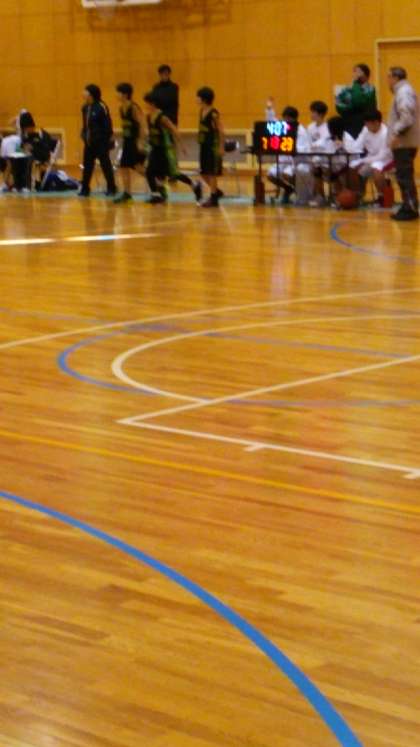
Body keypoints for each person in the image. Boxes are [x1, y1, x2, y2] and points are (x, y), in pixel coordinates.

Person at [387, 66, 420, 221]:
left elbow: (406, 118)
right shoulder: (404, 91)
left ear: (395, 77)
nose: (387, 81)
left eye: (388, 77)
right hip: (404, 142)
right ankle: (409, 205)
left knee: (404, 176)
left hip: (403, 142)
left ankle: (410, 208)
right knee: (403, 175)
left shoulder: (404, 92)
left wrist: (396, 133)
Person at [267, 106, 310, 205]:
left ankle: (302, 191)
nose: (285, 121)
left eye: (287, 118)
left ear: (292, 118)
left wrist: (291, 150)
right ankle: (288, 189)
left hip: (297, 161)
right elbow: (272, 122)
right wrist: (269, 110)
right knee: (271, 174)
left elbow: (303, 149)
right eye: (284, 118)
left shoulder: (301, 131)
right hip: (284, 160)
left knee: (286, 174)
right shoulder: (284, 127)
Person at [350, 110, 394, 206]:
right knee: (352, 169)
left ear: (376, 122)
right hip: (371, 158)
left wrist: (363, 160)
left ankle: (383, 196)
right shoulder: (365, 129)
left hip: (387, 159)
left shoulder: (386, 133)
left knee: (376, 170)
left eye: (368, 124)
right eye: (365, 124)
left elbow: (382, 156)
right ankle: (358, 195)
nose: (366, 126)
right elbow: (357, 146)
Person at [80, 84, 116, 198]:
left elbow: (108, 125)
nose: (83, 93)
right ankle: (85, 189)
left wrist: (106, 140)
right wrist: (83, 134)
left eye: (85, 91)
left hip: (101, 143)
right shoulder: (85, 107)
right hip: (89, 143)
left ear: (91, 94)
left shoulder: (101, 106)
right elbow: (85, 125)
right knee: (87, 166)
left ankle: (112, 188)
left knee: (106, 166)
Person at [114, 82, 147, 204]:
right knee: (123, 167)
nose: (116, 95)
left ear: (125, 94)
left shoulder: (133, 107)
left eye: (118, 92)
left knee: (138, 167)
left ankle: (158, 185)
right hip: (127, 141)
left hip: (135, 141)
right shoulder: (121, 108)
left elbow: (143, 125)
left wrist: (141, 141)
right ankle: (127, 193)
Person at [197, 86, 225, 208]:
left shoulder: (213, 113)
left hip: (212, 146)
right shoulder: (201, 111)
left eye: (198, 97)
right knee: (203, 173)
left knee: (211, 172)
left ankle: (214, 199)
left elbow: (221, 130)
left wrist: (221, 147)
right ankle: (216, 192)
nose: (196, 99)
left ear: (203, 98)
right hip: (203, 146)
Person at [336, 64, 377, 138]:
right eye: (354, 71)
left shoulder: (370, 89)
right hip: (348, 122)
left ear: (366, 75)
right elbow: (339, 104)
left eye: (359, 71)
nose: (356, 74)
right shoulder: (348, 88)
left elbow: (358, 102)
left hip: (363, 123)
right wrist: (350, 107)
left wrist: (355, 83)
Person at [307, 101, 330, 206]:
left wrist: (314, 147)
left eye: (313, 112)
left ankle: (321, 196)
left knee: (316, 167)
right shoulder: (310, 127)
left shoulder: (327, 127)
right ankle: (310, 195)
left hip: (325, 158)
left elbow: (324, 144)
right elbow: (308, 144)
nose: (311, 114)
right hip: (312, 157)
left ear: (320, 114)